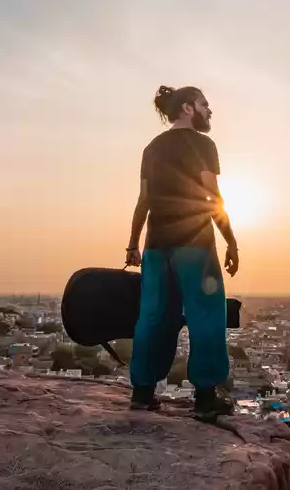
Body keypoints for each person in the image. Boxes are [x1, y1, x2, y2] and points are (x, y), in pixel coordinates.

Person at [125, 85, 240, 418]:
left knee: (153, 316)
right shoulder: (203, 144)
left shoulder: (152, 148)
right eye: (205, 105)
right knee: (206, 314)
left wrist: (133, 243)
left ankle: (142, 392)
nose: (210, 110)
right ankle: (205, 398)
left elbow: (144, 200)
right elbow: (211, 197)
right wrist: (231, 240)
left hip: (157, 244)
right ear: (188, 108)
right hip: (195, 243)